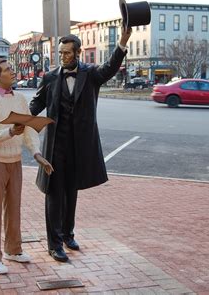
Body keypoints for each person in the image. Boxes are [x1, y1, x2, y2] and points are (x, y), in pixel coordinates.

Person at [29, 26, 133, 262]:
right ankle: (54, 244)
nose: (63, 56)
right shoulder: (50, 77)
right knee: (54, 194)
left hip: (79, 146)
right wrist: (23, 118)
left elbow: (110, 68)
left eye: (67, 53)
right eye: (61, 52)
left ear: (77, 53)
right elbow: (36, 104)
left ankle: (67, 234)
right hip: (55, 147)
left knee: (71, 191)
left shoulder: (90, 74)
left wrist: (122, 43)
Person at [0, 58, 53, 274]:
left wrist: (37, 153)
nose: (12, 72)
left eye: (11, 68)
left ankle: (13, 249)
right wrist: (9, 132)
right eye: (8, 70)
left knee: (14, 207)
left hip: (15, 161)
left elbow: (28, 129)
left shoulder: (19, 98)